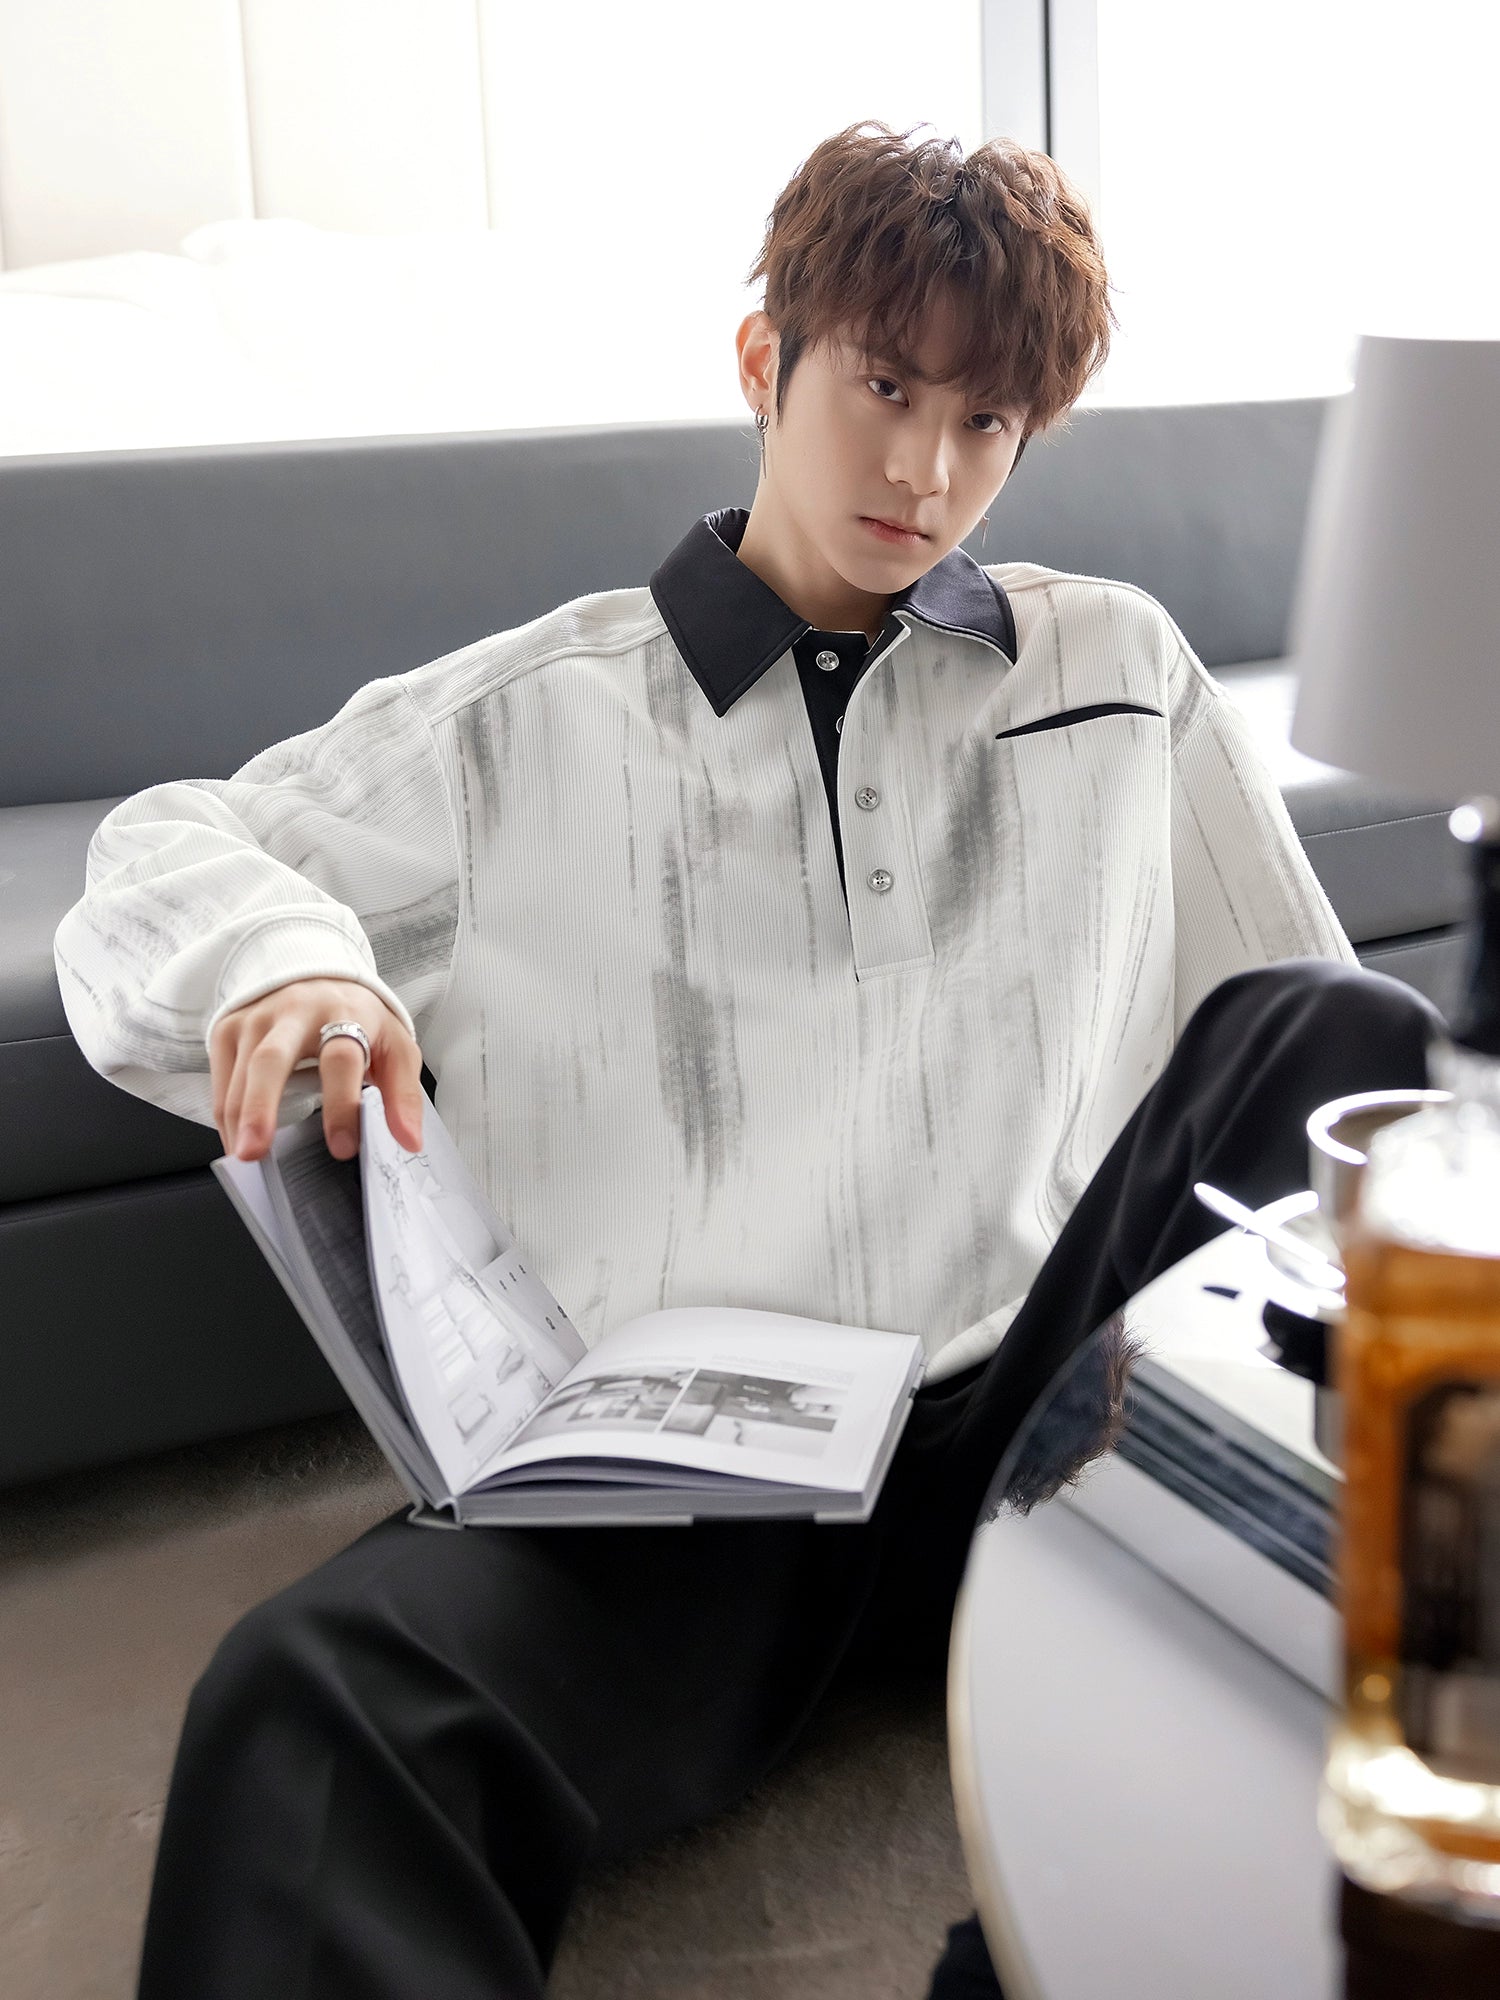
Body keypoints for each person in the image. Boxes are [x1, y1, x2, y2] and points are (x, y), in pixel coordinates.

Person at [53, 119, 1447, 2000]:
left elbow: (1319, 1040)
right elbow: (158, 850)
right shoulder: (525, 717)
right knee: (313, 1695)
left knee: (1343, 1034)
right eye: (883, 388)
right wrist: (297, 959)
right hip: (695, 1492)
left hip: (1055, 1417)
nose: (925, 469)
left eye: (985, 422)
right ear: (762, 362)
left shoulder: (1116, 666)